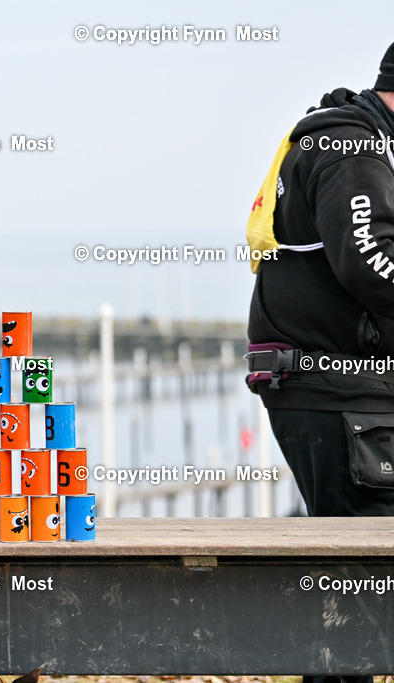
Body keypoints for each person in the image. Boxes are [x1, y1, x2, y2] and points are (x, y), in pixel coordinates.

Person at [246, 44, 394, 683]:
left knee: (356, 583)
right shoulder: (351, 148)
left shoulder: (363, 145)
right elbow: (370, 262)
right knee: (360, 581)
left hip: (336, 384)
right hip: (336, 390)